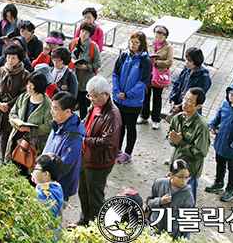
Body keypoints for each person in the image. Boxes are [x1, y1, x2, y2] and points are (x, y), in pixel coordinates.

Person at [77, 76, 122, 226]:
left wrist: (86, 140)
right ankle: (85, 221)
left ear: (106, 95)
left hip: (99, 161)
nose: (92, 100)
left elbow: (107, 141)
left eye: (95, 97)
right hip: (86, 156)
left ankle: (100, 227)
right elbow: (87, 121)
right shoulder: (94, 106)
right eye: (90, 96)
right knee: (83, 192)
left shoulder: (112, 115)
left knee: (95, 198)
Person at [112, 31, 152, 163]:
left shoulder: (145, 61)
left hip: (133, 101)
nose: (132, 45)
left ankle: (128, 152)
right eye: (131, 41)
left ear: (142, 44)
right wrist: (117, 90)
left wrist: (128, 94)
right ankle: (117, 148)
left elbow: (142, 82)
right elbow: (115, 73)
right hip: (119, 99)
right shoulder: (124, 55)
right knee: (119, 125)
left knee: (130, 127)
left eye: (136, 42)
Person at [43, 91, 85, 216]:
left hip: (58, 188)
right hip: (47, 180)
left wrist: (44, 178)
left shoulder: (73, 137)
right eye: (52, 107)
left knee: (53, 221)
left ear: (68, 112)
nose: (51, 111)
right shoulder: (58, 123)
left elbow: (64, 167)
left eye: (55, 109)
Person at [166, 87, 210, 204]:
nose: (185, 102)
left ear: (198, 106)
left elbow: (200, 152)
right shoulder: (177, 118)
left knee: (187, 204)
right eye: (185, 98)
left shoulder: (201, 126)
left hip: (189, 172)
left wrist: (180, 143)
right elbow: (169, 136)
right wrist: (173, 139)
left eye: (190, 101)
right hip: (175, 167)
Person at [5, 71, 53, 175]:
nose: (29, 88)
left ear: (40, 87)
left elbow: (49, 127)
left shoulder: (47, 105)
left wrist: (30, 129)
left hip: (33, 145)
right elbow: (13, 113)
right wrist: (16, 124)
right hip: (17, 139)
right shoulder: (23, 97)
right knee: (13, 167)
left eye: (32, 86)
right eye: (28, 85)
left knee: (28, 172)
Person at [0, 44, 29, 161]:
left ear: (19, 59)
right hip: (1, 108)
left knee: (13, 136)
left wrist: (8, 105)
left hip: (14, 110)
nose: (10, 60)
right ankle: (3, 158)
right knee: (3, 136)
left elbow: (22, 94)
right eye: (8, 57)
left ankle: (12, 159)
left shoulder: (24, 74)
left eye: (13, 58)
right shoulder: (1, 70)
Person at [146, 159, 195, 240]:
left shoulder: (187, 195)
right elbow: (149, 202)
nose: (184, 181)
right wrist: (160, 201)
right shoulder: (159, 183)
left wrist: (185, 240)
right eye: (181, 177)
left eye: (187, 177)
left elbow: (188, 221)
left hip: (173, 234)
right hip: (154, 228)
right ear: (171, 174)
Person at [137, 25, 174, 130]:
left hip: (159, 74)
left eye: (160, 37)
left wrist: (158, 62)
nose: (158, 39)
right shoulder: (150, 43)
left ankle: (156, 119)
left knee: (157, 97)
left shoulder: (168, 47)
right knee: (146, 95)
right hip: (149, 73)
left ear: (165, 37)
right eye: (156, 36)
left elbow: (170, 61)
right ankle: (144, 115)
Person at [69, 23, 101, 119]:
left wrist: (86, 67)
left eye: (86, 32)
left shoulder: (93, 47)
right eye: (82, 31)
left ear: (90, 35)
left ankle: (84, 122)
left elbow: (98, 63)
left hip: (85, 79)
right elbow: (68, 56)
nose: (83, 34)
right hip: (73, 75)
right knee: (71, 101)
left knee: (83, 103)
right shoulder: (73, 42)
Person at [169, 47, 211, 116]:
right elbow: (176, 84)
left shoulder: (204, 77)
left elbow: (197, 98)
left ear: (196, 62)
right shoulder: (186, 69)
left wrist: (180, 106)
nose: (186, 63)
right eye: (186, 60)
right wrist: (173, 100)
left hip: (191, 110)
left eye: (189, 61)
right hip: (178, 105)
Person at [32, 153, 64, 220]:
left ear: (46, 174)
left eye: (36, 169)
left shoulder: (41, 195)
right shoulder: (57, 186)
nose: (33, 171)